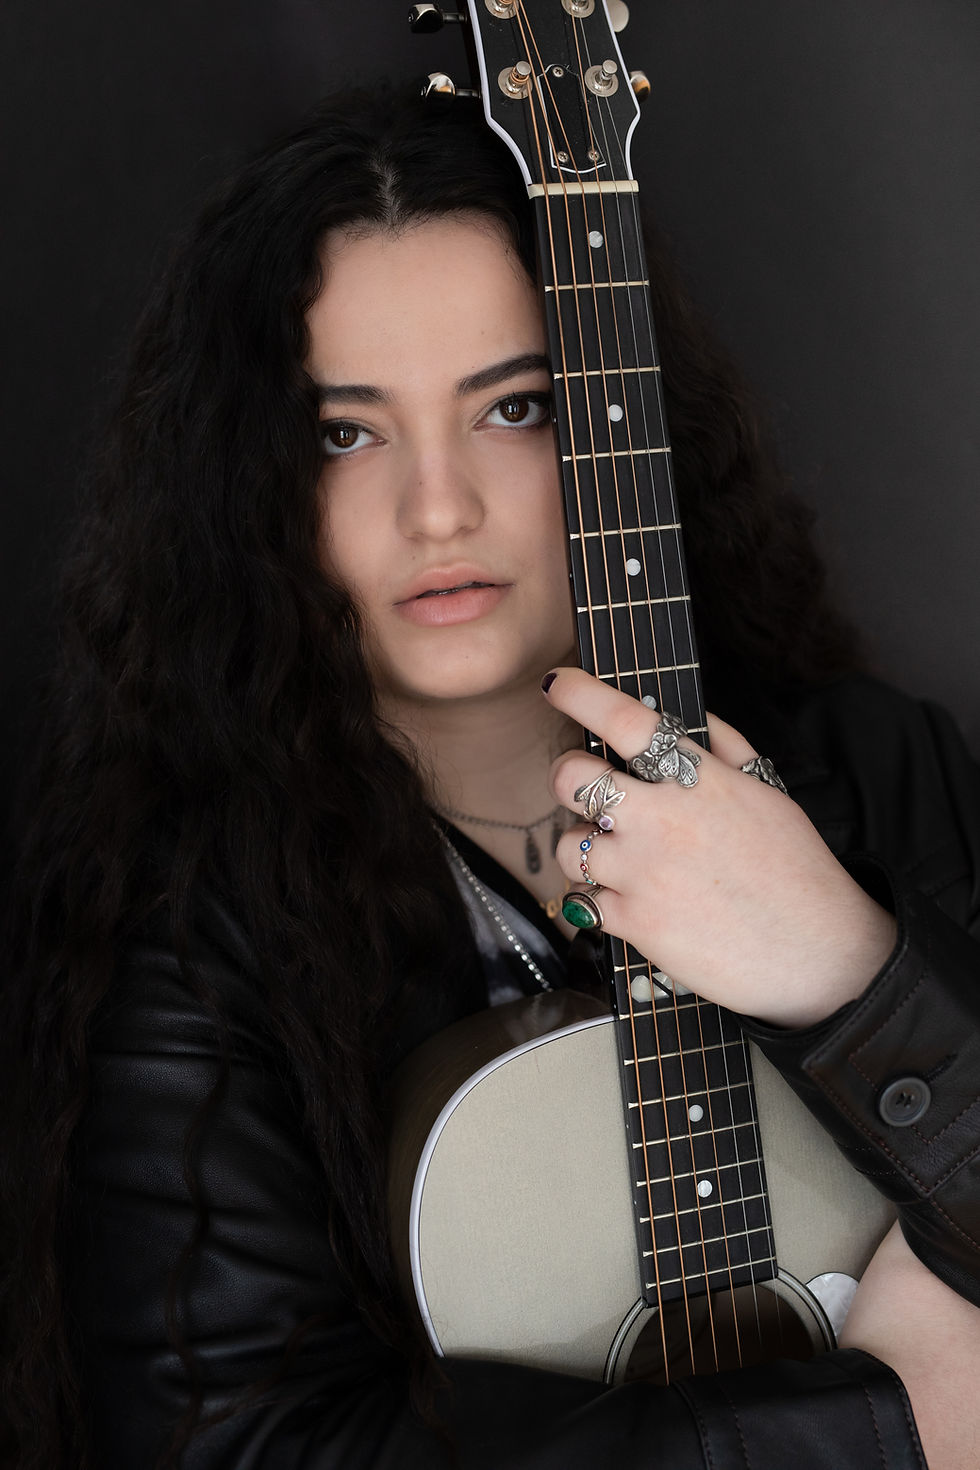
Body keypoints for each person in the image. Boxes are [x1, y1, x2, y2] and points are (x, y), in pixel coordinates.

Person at [2, 86, 979, 1470]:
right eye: (345, 431)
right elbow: (241, 1448)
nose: (439, 507)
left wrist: (852, 969)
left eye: (514, 408)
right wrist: (888, 1427)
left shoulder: (876, 771)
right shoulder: (194, 935)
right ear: (242, 482)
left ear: (620, 422)